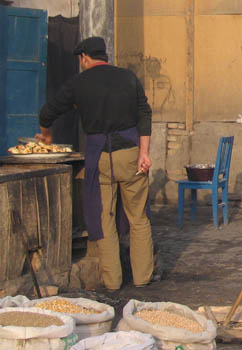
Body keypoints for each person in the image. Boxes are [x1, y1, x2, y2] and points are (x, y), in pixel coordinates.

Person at [36, 36, 154, 291]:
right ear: (106, 56)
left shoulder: (79, 83)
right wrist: (144, 153)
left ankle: (113, 282)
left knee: (105, 219)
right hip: (132, 155)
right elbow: (144, 113)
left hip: (100, 158)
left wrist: (46, 135)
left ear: (84, 58)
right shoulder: (128, 78)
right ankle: (143, 279)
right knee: (139, 218)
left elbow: (47, 113)